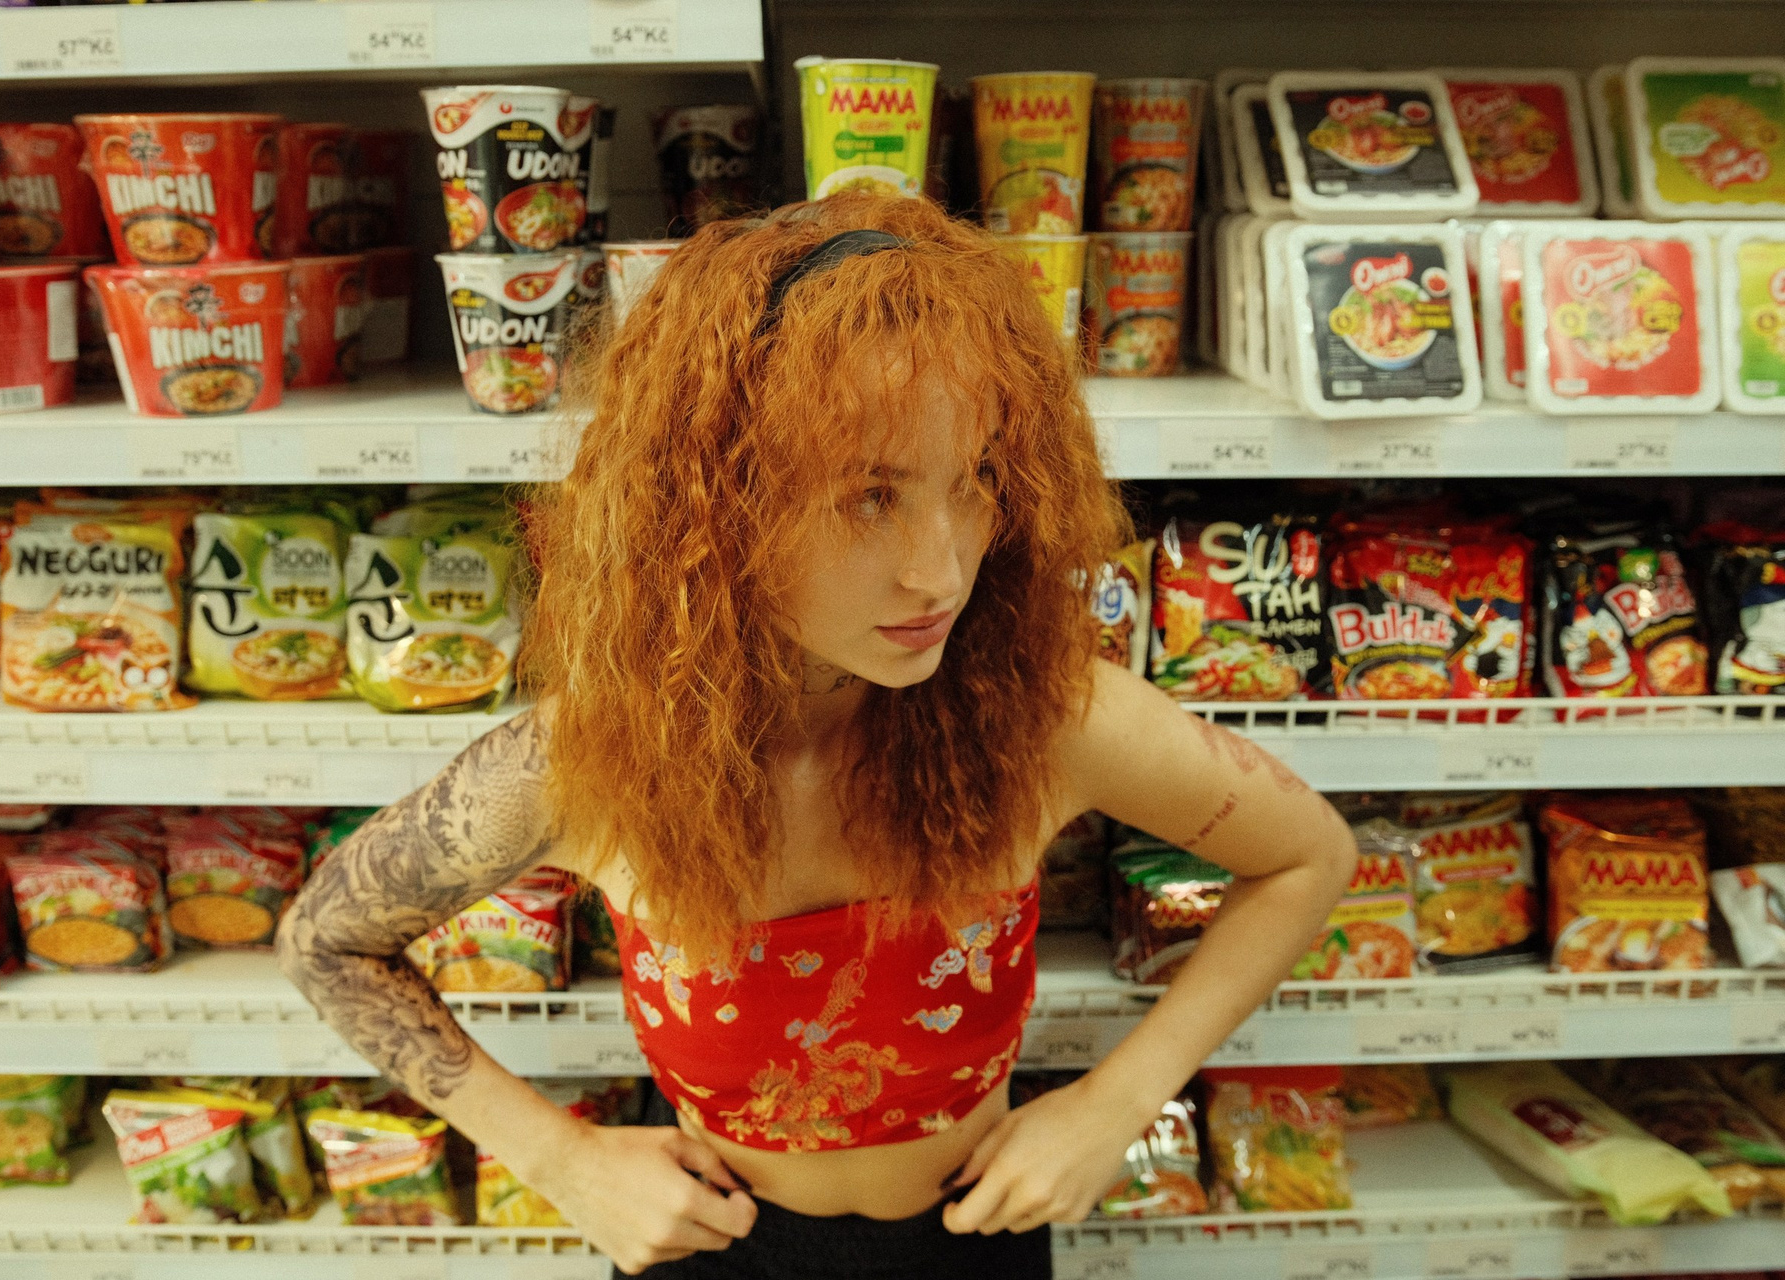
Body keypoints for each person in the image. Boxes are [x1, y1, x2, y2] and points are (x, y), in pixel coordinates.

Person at [278, 194, 1356, 1278]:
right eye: (871, 496)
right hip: (710, 1244)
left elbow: (1308, 854)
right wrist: (558, 1158)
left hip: (975, 1240)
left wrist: (1117, 1101)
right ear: (711, 506)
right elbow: (325, 939)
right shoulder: (586, 762)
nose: (941, 570)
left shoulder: (1046, 719)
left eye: (977, 479)